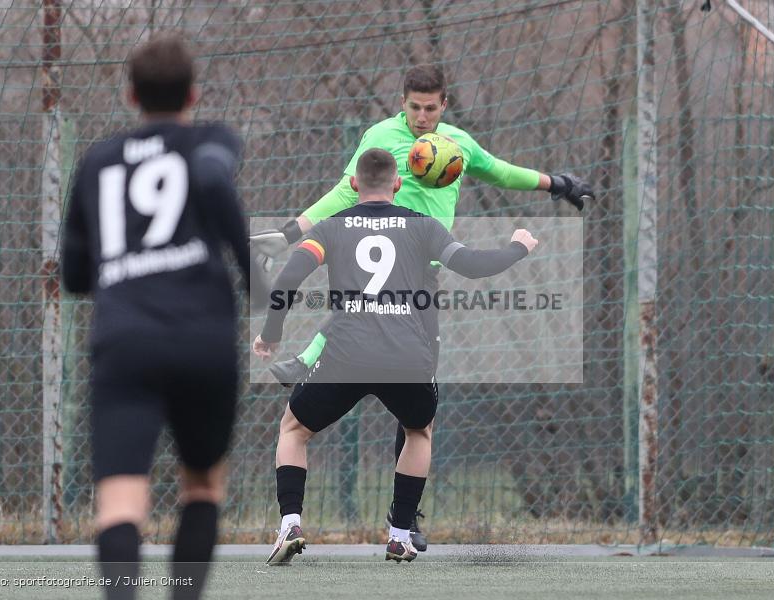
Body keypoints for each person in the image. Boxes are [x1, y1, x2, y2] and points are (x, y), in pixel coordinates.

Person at [250, 63, 593, 550]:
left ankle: (397, 517)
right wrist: (288, 231)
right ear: (403, 102)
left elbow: (498, 171)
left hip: (423, 279)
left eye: (431, 108)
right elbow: (343, 192)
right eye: (414, 107)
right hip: (403, 282)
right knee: (413, 404)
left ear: (444, 105)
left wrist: (554, 183)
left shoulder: (457, 145)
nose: (422, 117)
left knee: (401, 404)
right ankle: (400, 522)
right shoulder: (380, 137)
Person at [252, 148, 538, 564]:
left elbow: (289, 278)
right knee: (419, 430)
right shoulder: (423, 227)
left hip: (346, 355)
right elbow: (472, 265)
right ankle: (400, 535)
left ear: (353, 185)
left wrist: (271, 333)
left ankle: (290, 524)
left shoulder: (331, 228)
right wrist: (518, 247)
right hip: (407, 356)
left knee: (294, 429)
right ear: (399, 183)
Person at [61, 34, 254, 600]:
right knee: (202, 486)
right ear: (194, 94)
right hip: (204, 337)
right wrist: (256, 276)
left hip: (125, 342)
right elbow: (215, 177)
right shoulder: (213, 140)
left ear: (130, 96)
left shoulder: (96, 162)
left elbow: (75, 276)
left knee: (121, 500)